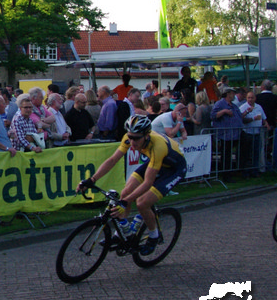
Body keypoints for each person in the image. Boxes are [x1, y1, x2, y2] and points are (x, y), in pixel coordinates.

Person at [77, 115, 187, 256]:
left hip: (174, 169)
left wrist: (125, 202)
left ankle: (153, 236)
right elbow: (113, 160)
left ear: (146, 136)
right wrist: (92, 179)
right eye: (130, 137)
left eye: (136, 138)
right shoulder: (129, 138)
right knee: (125, 193)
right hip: (156, 163)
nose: (132, 141)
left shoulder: (157, 146)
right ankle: (122, 234)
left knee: (142, 203)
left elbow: (147, 183)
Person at [211, 88, 242, 175]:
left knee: (232, 153)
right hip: (225, 135)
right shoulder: (220, 104)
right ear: (228, 94)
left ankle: (233, 171)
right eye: (233, 93)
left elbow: (239, 116)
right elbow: (213, 116)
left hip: (235, 134)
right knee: (226, 155)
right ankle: (225, 174)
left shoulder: (234, 105)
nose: (234, 95)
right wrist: (224, 111)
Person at [239, 91, 267, 176]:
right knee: (246, 154)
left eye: (252, 98)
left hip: (257, 133)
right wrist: (253, 118)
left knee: (256, 153)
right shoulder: (243, 107)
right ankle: (245, 172)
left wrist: (266, 124)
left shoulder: (259, 107)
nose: (250, 99)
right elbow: (241, 120)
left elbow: (263, 118)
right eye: (249, 98)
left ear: (255, 98)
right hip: (247, 133)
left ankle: (255, 171)